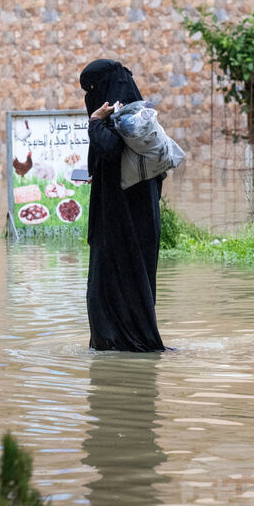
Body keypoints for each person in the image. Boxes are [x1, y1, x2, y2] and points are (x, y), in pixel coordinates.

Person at [80, 59, 165, 351]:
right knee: (128, 282)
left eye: (90, 89)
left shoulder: (128, 116)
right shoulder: (139, 116)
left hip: (122, 224)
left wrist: (93, 121)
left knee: (112, 284)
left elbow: (111, 148)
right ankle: (124, 344)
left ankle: (122, 345)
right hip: (135, 218)